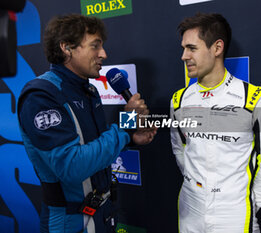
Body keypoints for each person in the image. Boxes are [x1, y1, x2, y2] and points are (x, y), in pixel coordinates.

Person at [17, 14, 156, 233]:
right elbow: (72, 166)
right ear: (66, 48)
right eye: (95, 46)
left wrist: (130, 136)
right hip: (69, 220)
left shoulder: (88, 90)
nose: (104, 54)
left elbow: (96, 147)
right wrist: (126, 127)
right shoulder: (41, 96)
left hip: (103, 213)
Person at [170, 13, 261, 232]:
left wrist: (248, 202)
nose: (184, 56)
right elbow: (180, 149)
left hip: (234, 211)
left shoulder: (257, 98)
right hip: (189, 206)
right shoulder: (179, 99)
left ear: (217, 48)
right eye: (183, 48)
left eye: (192, 48)